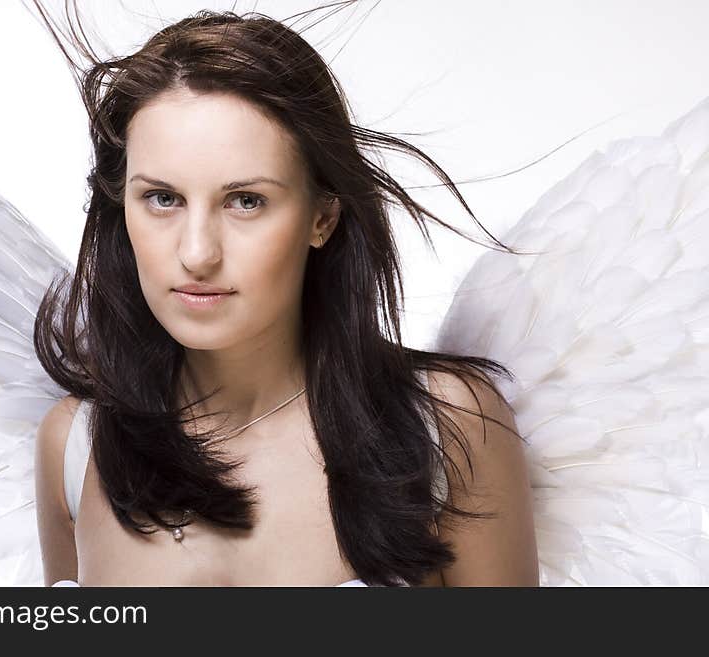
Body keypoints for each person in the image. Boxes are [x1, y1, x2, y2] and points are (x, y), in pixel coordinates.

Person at [31, 2, 539, 587]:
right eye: (163, 198)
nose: (197, 254)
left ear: (322, 216)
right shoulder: (73, 446)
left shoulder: (451, 425)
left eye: (246, 201)